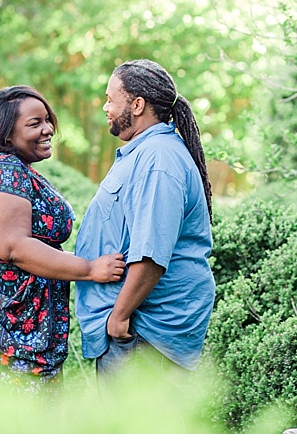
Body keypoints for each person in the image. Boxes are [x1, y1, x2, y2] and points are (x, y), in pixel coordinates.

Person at [0, 85, 126, 383]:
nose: (48, 129)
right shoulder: (0, 170)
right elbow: (13, 247)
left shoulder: (17, 169)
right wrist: (89, 269)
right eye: (35, 123)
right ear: (5, 134)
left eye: (48, 120)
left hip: (14, 322)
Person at [75, 59, 216, 376]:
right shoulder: (145, 153)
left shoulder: (158, 159)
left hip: (143, 335)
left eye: (111, 99)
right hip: (137, 334)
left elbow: (151, 252)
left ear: (137, 104)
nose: (105, 107)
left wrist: (119, 316)